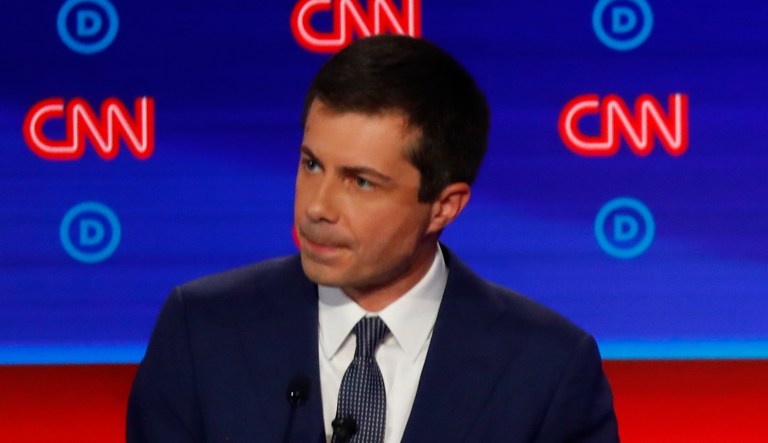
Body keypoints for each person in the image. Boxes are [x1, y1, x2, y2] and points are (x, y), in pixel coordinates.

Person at [127, 35, 619, 442]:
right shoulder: (201, 331)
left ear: (444, 206)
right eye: (311, 164)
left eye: (361, 182)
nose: (316, 207)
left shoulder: (547, 371)